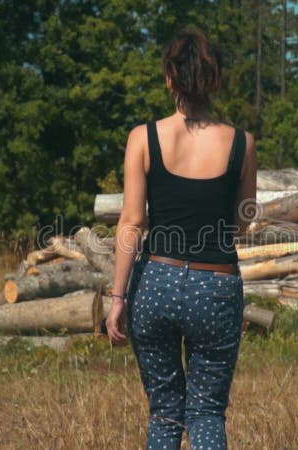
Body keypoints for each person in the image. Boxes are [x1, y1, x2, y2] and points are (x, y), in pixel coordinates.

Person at [104, 27, 257, 450]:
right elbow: (243, 222)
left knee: (166, 413)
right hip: (216, 285)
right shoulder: (242, 144)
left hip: (155, 284)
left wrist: (117, 298)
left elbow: (132, 223)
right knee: (207, 413)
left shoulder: (143, 138)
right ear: (216, 80)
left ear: (170, 79)